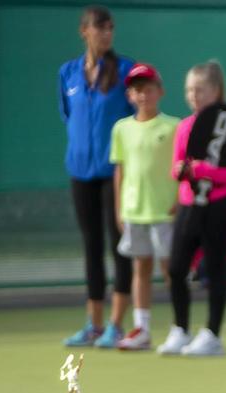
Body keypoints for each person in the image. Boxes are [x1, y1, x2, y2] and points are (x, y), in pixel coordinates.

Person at [158, 60, 226, 357]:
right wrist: (182, 170)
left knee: (216, 267)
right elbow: (177, 168)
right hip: (188, 205)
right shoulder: (185, 126)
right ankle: (180, 329)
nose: (193, 95)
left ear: (216, 90)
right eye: (189, 90)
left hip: (219, 205)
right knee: (177, 267)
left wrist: (205, 170)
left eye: (200, 89)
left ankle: (212, 334)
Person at [60, 4, 134, 347]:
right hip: (80, 172)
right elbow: (68, 116)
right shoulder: (68, 74)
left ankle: (116, 325)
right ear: (84, 31)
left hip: (114, 173)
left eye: (110, 28)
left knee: (119, 245)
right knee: (91, 246)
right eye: (99, 28)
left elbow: (135, 119)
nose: (106, 34)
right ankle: (93, 324)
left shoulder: (125, 71)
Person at [107, 63, 177, 353]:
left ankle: (179, 327)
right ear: (129, 95)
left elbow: (180, 169)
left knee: (171, 269)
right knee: (141, 269)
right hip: (135, 211)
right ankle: (142, 329)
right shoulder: (121, 129)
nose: (143, 94)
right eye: (137, 90)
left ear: (160, 92)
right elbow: (120, 172)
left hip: (166, 211)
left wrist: (179, 202)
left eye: (148, 89)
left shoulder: (175, 126)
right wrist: (119, 208)